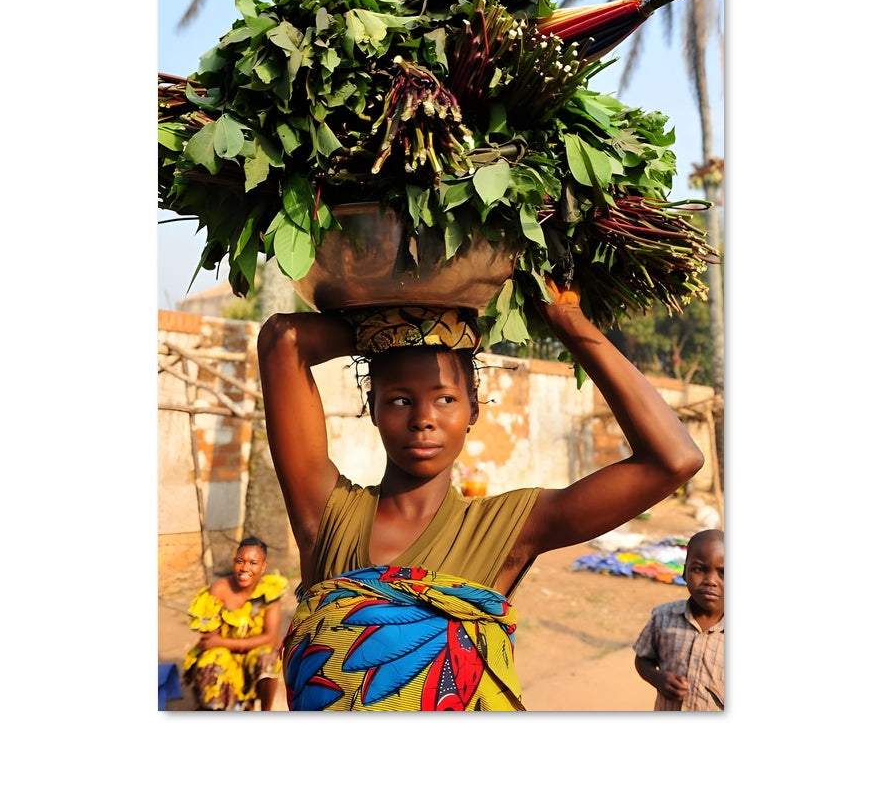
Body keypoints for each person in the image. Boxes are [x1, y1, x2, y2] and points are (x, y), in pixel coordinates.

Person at [257, 281, 705, 711]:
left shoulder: (505, 528)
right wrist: (405, 322)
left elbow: (674, 460)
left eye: (445, 399)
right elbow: (283, 339)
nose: (423, 419)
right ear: (371, 407)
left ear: (473, 408)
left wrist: (568, 322)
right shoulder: (329, 515)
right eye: (399, 400)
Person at [183, 536, 288, 711]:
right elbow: (210, 640)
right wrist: (223, 645)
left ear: (263, 566)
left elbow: (270, 638)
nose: (245, 568)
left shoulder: (269, 592)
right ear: (234, 562)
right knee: (213, 662)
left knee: (269, 658)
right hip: (224, 654)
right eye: (240, 561)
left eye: (253, 563)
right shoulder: (220, 589)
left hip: (249, 652)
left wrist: (224, 642)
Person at [633, 528, 724, 711]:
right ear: (684, 573)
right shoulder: (663, 617)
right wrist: (657, 678)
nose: (710, 581)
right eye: (699, 569)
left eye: (723, 572)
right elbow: (643, 660)